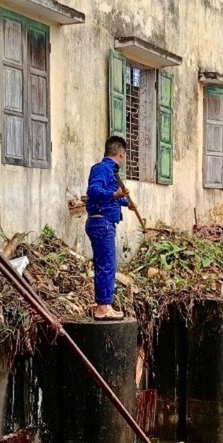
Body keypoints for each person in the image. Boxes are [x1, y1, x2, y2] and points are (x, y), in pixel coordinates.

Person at [86, 136, 135, 320]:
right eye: (124, 156)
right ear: (121, 154)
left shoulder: (111, 172)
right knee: (107, 265)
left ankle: (104, 304)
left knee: (105, 264)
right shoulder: (101, 169)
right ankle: (103, 307)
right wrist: (115, 194)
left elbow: (109, 197)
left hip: (104, 222)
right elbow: (93, 192)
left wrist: (124, 202)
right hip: (101, 223)